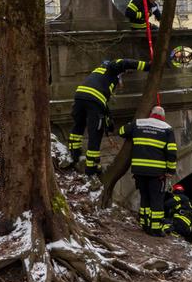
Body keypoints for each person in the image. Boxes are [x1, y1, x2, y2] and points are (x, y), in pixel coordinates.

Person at [68, 57, 148, 175]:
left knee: (78, 125)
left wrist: (107, 116)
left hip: (80, 96)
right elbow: (123, 63)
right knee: (95, 132)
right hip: (94, 100)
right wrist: (147, 66)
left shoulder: (97, 73)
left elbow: (102, 104)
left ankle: (74, 154)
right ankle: (92, 167)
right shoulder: (111, 67)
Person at [118, 106, 177, 236]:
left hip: (139, 171)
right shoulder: (167, 129)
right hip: (157, 173)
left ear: (151, 114)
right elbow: (172, 152)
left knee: (145, 197)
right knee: (156, 199)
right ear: (163, 116)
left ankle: (145, 224)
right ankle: (155, 229)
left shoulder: (138, 123)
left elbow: (121, 131)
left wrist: (130, 125)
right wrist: (170, 171)